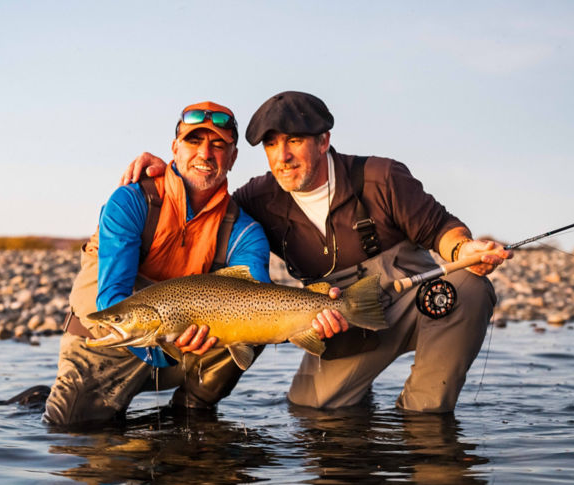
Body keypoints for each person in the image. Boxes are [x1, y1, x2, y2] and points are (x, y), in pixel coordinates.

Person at [121, 91, 512, 413]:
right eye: (271, 144)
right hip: (335, 315)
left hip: (413, 300)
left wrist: (465, 247)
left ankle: (425, 424)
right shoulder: (257, 198)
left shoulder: (381, 177)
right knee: (311, 408)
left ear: (323, 141)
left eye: (294, 141)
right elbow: (208, 200)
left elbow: (441, 229)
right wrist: (171, 171)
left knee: (468, 282)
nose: (282, 156)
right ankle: (362, 398)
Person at [43, 101, 273, 427]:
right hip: (107, 349)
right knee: (67, 432)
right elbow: (111, 300)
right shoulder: (131, 201)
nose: (205, 153)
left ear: (233, 157)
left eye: (218, 145)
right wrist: (162, 348)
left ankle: (191, 413)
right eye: (194, 141)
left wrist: (318, 315)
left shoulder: (245, 232)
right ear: (174, 148)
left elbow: (261, 298)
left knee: (252, 323)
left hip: (189, 351)